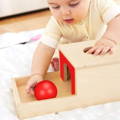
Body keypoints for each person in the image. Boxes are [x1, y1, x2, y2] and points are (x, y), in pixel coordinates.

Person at [26, 0, 120, 95]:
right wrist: (37, 74)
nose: (65, 12)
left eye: (73, 4)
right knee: (65, 70)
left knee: (111, 52)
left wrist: (109, 39)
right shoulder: (56, 22)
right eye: (55, 7)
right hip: (69, 55)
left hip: (98, 47)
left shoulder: (100, 4)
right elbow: (45, 47)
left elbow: (117, 18)